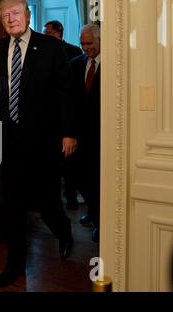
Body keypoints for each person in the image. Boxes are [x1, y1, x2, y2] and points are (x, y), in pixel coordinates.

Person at [0, 0, 77, 288]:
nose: (11, 19)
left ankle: (64, 232)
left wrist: (69, 132)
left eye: (16, 13)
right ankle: (15, 265)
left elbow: (65, 93)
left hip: (43, 141)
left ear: (27, 15)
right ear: (1, 20)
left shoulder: (51, 48)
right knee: (12, 205)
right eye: (5, 15)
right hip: (7, 142)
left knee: (47, 202)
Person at [43, 20, 83, 210]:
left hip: (67, 113)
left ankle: (71, 198)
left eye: (48, 32)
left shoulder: (74, 51)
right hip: (49, 116)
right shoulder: (41, 51)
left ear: (59, 32)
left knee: (69, 163)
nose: (45, 34)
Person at [69, 24, 101, 243]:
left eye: (89, 43)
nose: (84, 48)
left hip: (104, 136)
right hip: (80, 136)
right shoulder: (75, 65)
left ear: (101, 40)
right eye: (82, 43)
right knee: (82, 179)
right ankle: (93, 211)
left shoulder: (115, 66)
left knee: (100, 180)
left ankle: (102, 222)